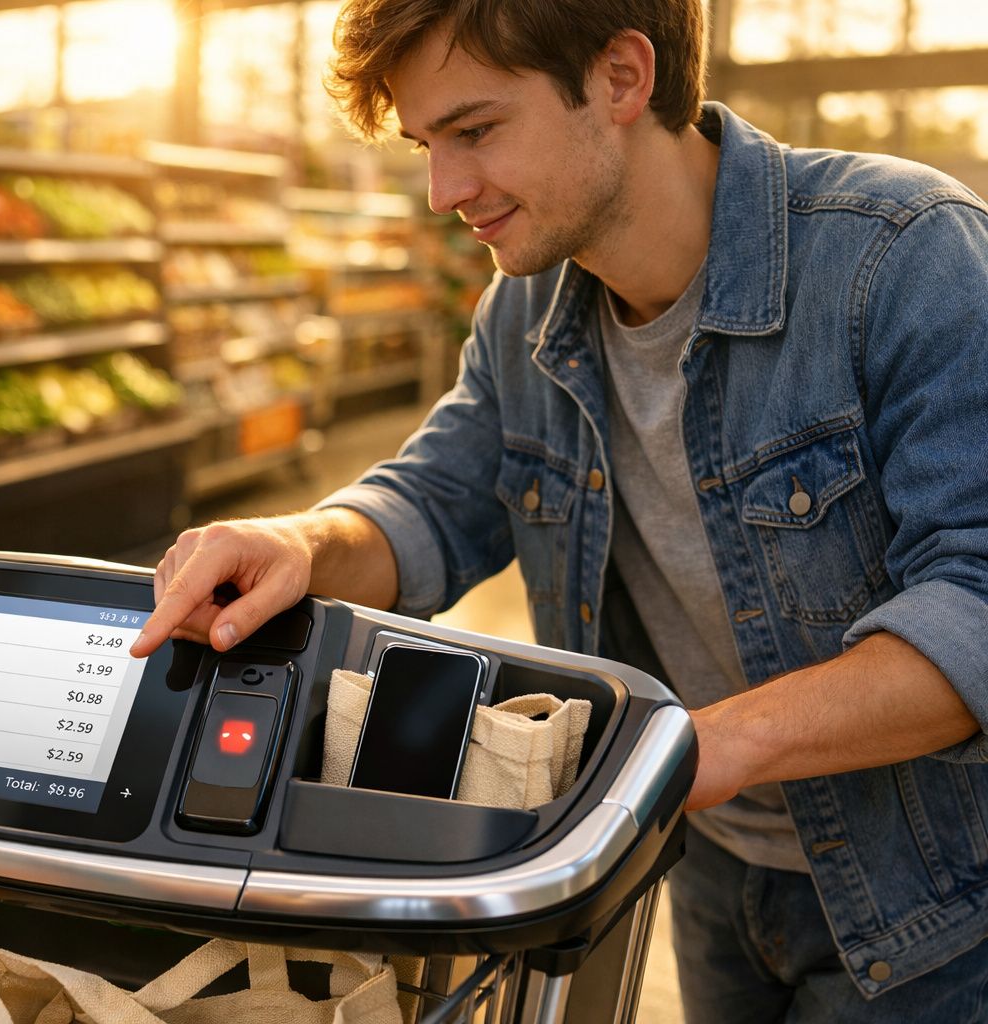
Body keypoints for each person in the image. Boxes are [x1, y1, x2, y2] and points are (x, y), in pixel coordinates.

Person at [128, 0, 988, 1019]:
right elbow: (435, 502)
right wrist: (296, 543)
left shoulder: (903, 259)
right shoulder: (528, 311)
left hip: (943, 899)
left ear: (623, 78)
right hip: (711, 865)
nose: (446, 190)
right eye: (426, 144)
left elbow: (975, 605)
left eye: (476, 130)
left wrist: (678, 753)